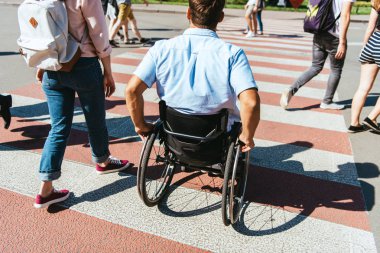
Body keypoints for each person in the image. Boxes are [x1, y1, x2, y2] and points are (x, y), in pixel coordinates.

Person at [126, 0, 261, 153]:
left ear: (188, 13)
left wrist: (140, 125)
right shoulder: (233, 54)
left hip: (173, 133)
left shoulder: (161, 49)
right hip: (215, 138)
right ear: (221, 17)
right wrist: (247, 136)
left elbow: (132, 90)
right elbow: (251, 103)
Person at [34, 0, 130, 209]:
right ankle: (102, 161)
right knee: (95, 119)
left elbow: (39, 28)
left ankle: (46, 188)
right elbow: (99, 33)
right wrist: (108, 72)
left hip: (51, 65)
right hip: (83, 63)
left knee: (58, 127)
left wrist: (42, 62)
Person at [280, 0, 355, 110]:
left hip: (319, 32)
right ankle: (327, 101)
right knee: (336, 70)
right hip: (335, 36)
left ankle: (291, 89)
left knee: (315, 67)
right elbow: (345, 15)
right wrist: (342, 42)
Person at [349, 0, 380, 133]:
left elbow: (370, 26)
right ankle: (371, 118)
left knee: (363, 87)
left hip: (373, 41)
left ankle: (354, 124)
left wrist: (364, 47)